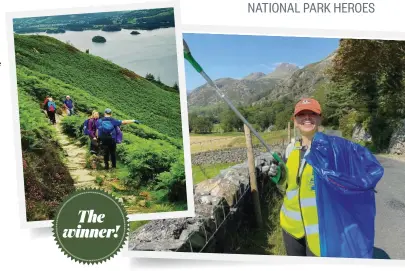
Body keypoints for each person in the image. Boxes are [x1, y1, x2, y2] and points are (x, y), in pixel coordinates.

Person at [268, 98, 382, 258]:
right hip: (291, 228)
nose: (307, 118)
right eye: (302, 114)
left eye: (312, 114)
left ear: (320, 118)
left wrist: (360, 186)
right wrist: (281, 179)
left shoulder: (334, 149)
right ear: (295, 121)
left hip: (322, 231)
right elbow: (291, 187)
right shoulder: (290, 149)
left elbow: (360, 169)